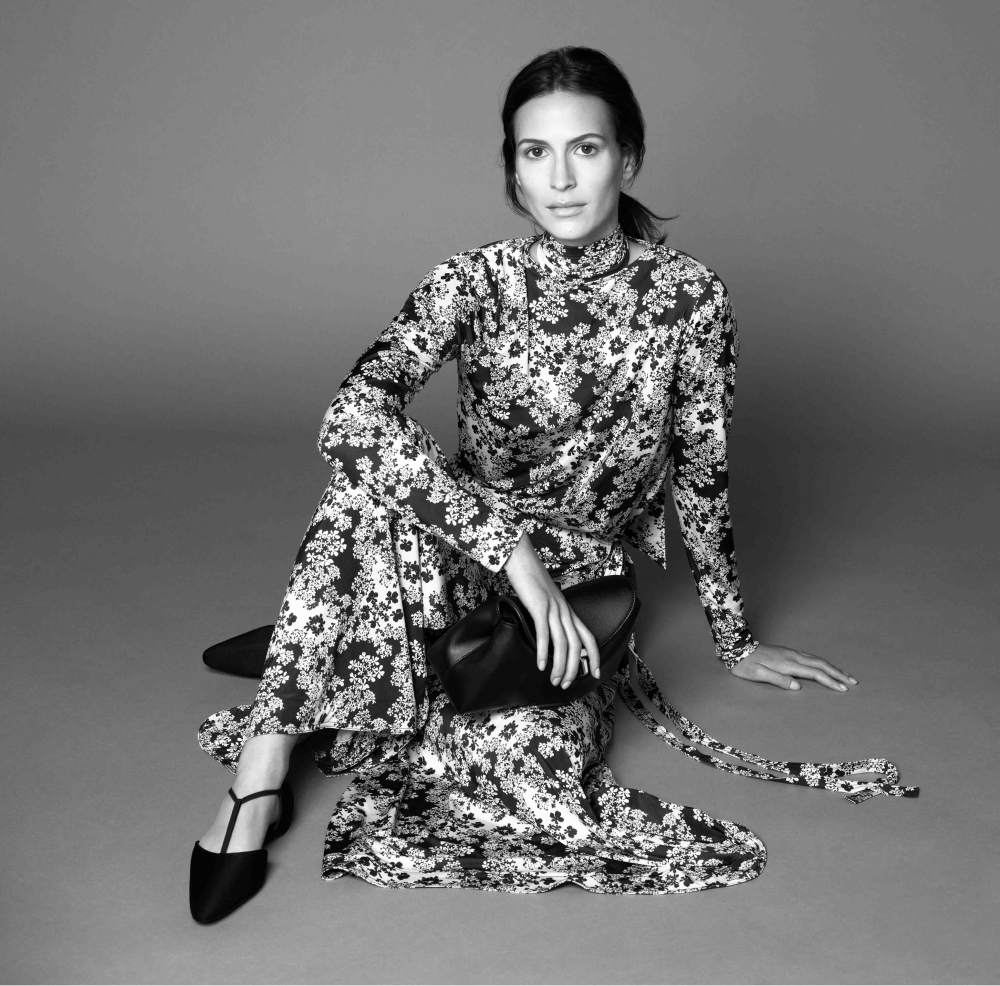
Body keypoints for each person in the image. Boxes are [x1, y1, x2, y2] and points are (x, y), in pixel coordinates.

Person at [189, 46, 916, 923]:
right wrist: (510, 553)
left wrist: (734, 639)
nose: (561, 179)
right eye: (536, 152)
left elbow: (701, 474)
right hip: (460, 542)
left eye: (587, 148)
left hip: (576, 587)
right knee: (365, 478)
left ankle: (335, 636)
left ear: (628, 157)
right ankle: (260, 776)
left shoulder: (691, 299)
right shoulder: (473, 279)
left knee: (524, 778)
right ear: (513, 169)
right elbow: (349, 417)